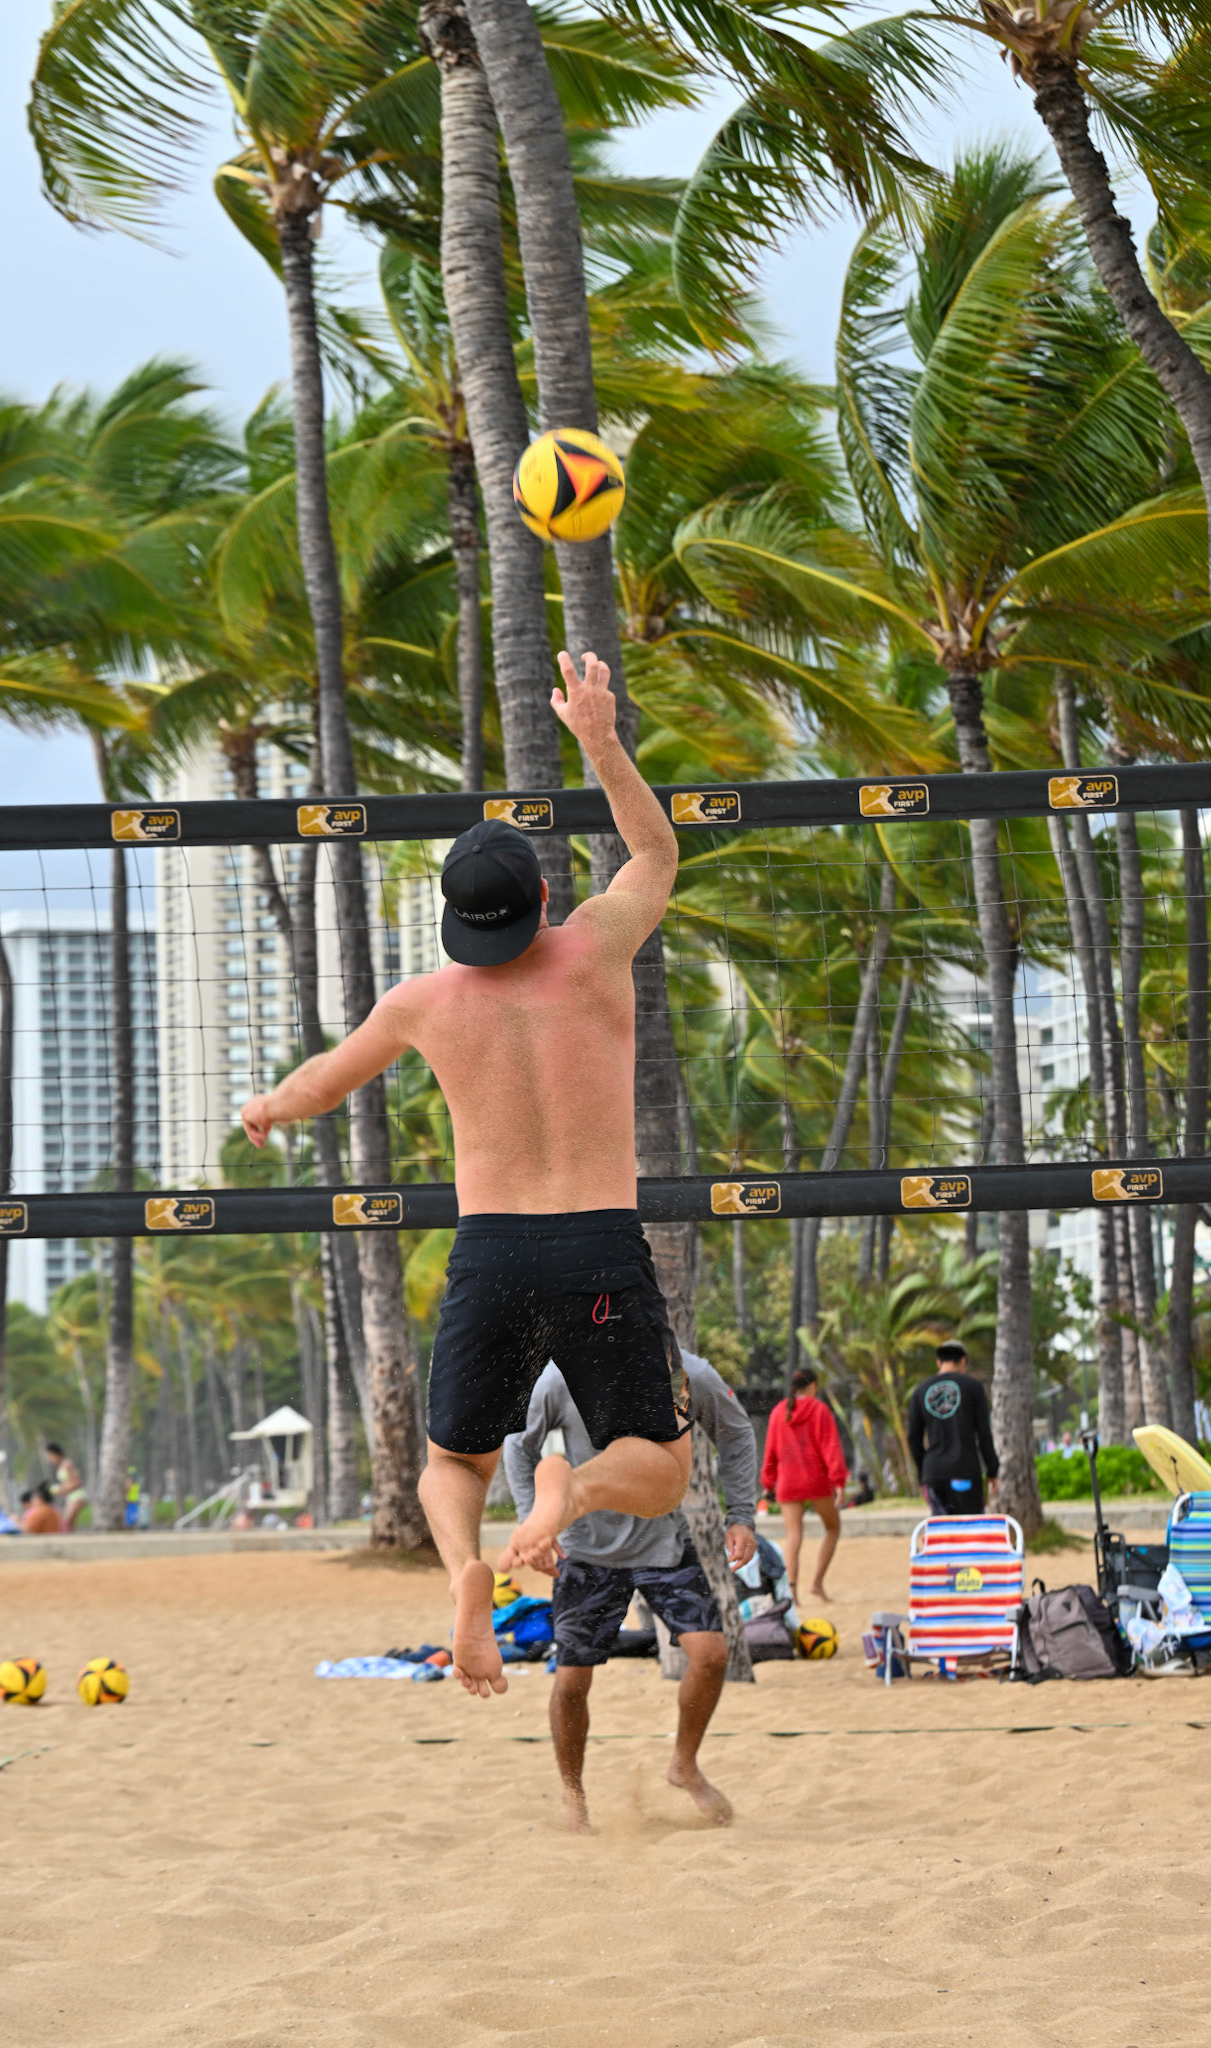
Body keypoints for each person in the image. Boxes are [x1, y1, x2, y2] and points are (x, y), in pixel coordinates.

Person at [241, 651, 690, 1699]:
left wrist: (266, 1105)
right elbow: (656, 850)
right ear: (541, 896)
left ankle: (465, 1572)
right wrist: (597, 738)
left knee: (450, 1465)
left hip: (490, 1249)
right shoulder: (597, 950)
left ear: (461, 920)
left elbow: (319, 1082)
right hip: (597, 1241)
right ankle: (569, 1492)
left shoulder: (423, 1002)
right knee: (659, 1466)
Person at [503, 1346, 757, 1831]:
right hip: (586, 1550)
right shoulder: (562, 1376)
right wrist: (532, 1523)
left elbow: (738, 1433)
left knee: (711, 1654)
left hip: (662, 1541)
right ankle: (573, 1794)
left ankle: (684, 1765)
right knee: (573, 1680)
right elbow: (519, 1443)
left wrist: (741, 1515)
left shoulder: (687, 1373)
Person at [760, 1366, 847, 1600]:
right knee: (832, 1527)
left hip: (788, 1482)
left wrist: (768, 1483)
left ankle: (792, 1591)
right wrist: (839, 1482)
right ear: (812, 1386)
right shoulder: (820, 1410)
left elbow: (771, 1451)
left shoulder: (779, 1412)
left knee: (793, 1536)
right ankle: (817, 1583)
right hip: (816, 1480)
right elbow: (831, 1447)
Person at [906, 1340, 999, 1514]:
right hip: (964, 1471)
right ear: (963, 1360)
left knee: (943, 1532)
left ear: (938, 1362)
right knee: (970, 1532)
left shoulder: (920, 1390)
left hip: (933, 1474)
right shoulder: (973, 1387)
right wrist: (992, 1469)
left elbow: (913, 1437)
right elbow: (984, 1433)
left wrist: (923, 1474)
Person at [44, 1442, 87, 1532]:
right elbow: (67, 1483)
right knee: (69, 1524)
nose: (49, 1459)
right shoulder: (61, 1466)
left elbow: (77, 1482)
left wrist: (62, 1490)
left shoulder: (67, 1464)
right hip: (71, 1497)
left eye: (50, 1456)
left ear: (56, 1454)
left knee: (66, 1522)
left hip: (77, 1496)